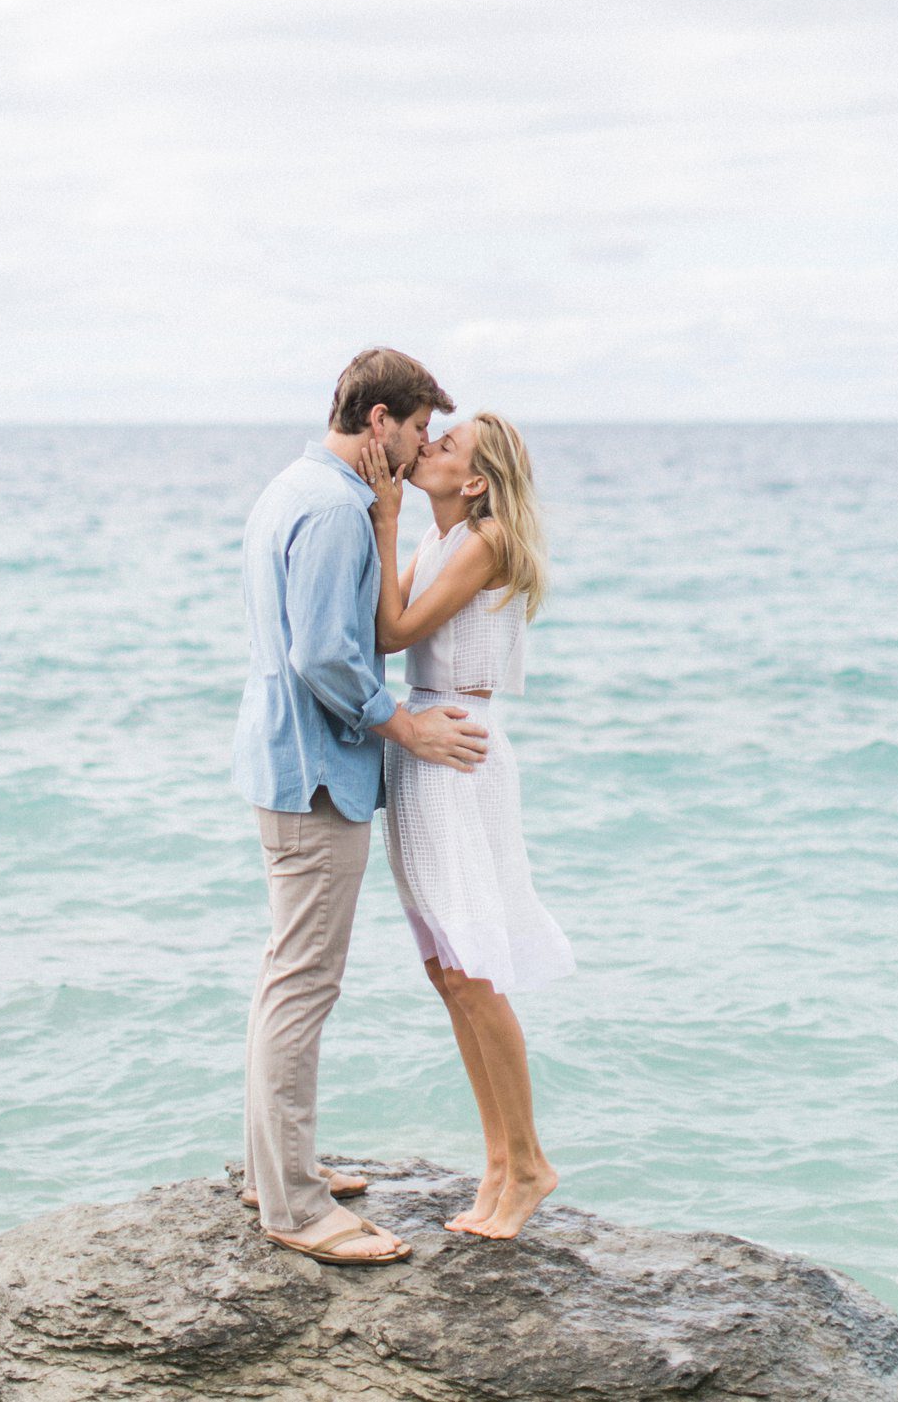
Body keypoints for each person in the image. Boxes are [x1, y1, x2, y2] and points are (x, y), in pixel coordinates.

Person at [232, 348, 489, 1267]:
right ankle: (294, 1204)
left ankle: (276, 1167)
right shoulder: (336, 507)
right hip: (317, 774)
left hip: (284, 762)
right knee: (304, 982)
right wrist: (408, 727)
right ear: (379, 420)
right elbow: (327, 656)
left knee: (285, 974)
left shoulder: (292, 485)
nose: (424, 447)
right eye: (420, 429)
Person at [359, 412, 575, 1240]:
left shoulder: (481, 540)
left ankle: (528, 1164)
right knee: (447, 972)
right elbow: (390, 626)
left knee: (476, 972)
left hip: (458, 750)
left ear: (476, 480)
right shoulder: (442, 540)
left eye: (446, 446)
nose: (429, 449)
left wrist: (383, 521)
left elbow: (396, 630)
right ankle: (498, 1161)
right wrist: (391, 530)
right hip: (424, 748)